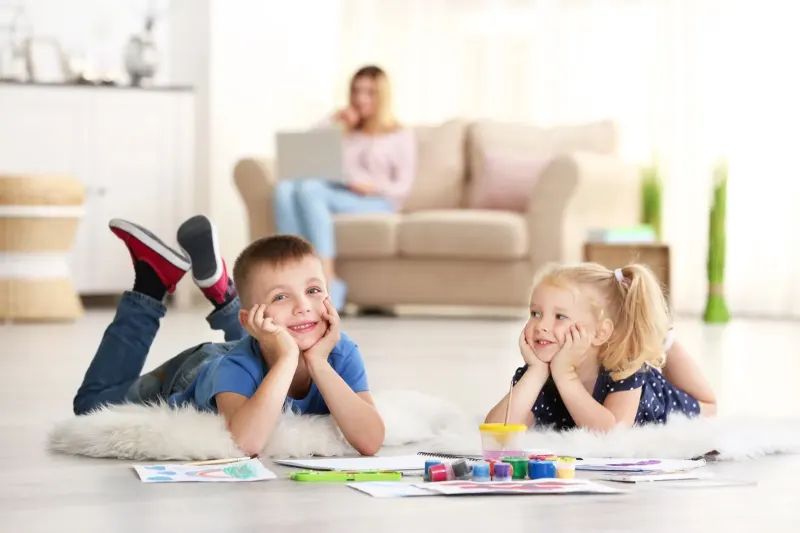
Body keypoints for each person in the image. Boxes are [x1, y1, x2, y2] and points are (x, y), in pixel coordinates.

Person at [72, 215, 385, 456]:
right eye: (280, 296)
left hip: (256, 341)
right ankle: (152, 281)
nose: (304, 307)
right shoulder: (232, 368)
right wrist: (289, 358)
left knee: (268, 331)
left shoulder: (340, 352)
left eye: (314, 290)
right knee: (91, 405)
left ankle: (225, 291)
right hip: (195, 372)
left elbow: (370, 440)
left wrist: (318, 362)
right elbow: (246, 443)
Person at [484, 262, 717, 431]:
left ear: (600, 333)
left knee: (708, 406)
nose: (541, 326)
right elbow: (496, 430)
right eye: (536, 313)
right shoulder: (539, 372)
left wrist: (566, 375)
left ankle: (662, 339)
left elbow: (610, 433)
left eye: (560, 317)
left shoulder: (624, 368)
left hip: (664, 402)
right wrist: (535, 373)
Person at [272, 65, 417, 311]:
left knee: (308, 190)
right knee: (284, 189)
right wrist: (334, 121)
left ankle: (329, 280)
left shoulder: (399, 134)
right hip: (339, 191)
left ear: (382, 97)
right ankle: (295, 275)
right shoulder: (347, 129)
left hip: (379, 200)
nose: (361, 98)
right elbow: (306, 150)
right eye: (357, 91)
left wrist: (371, 187)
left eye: (369, 92)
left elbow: (402, 186)